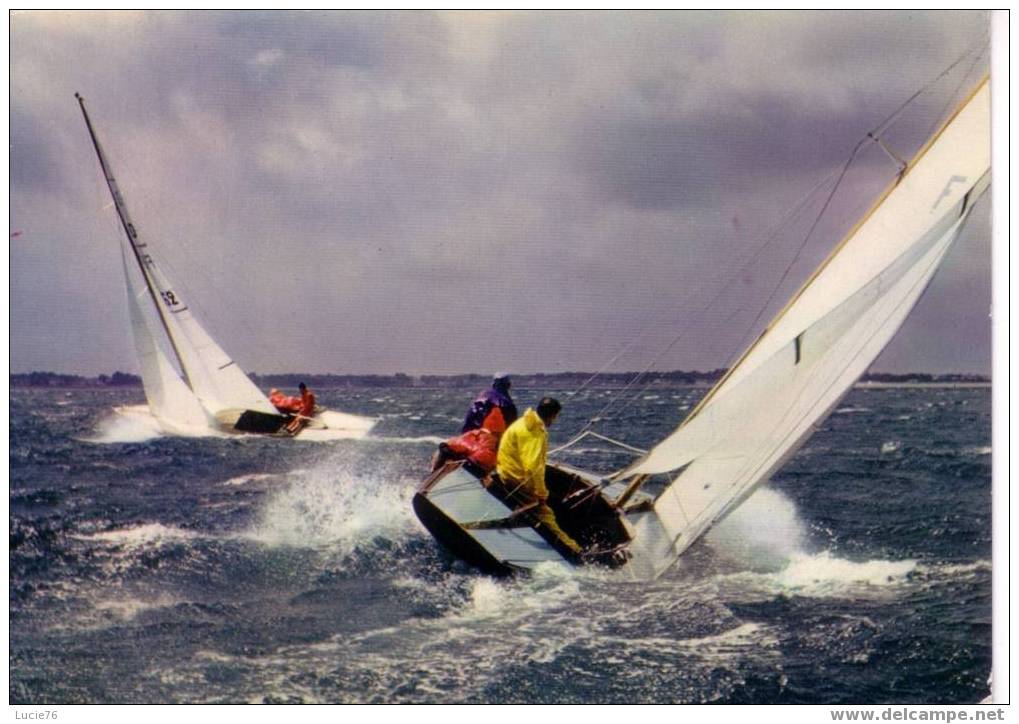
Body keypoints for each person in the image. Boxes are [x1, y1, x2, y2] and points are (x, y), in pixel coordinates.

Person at [495, 397, 581, 553]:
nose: (554, 421)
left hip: (505, 472)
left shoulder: (524, 422)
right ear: (552, 415)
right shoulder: (535, 432)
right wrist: (541, 494)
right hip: (517, 479)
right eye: (555, 417)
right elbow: (533, 467)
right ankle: (575, 551)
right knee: (546, 514)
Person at [431, 407, 507, 474]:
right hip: (461, 460)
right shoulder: (489, 438)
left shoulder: (472, 433)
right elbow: (484, 456)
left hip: (444, 453)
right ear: (497, 432)